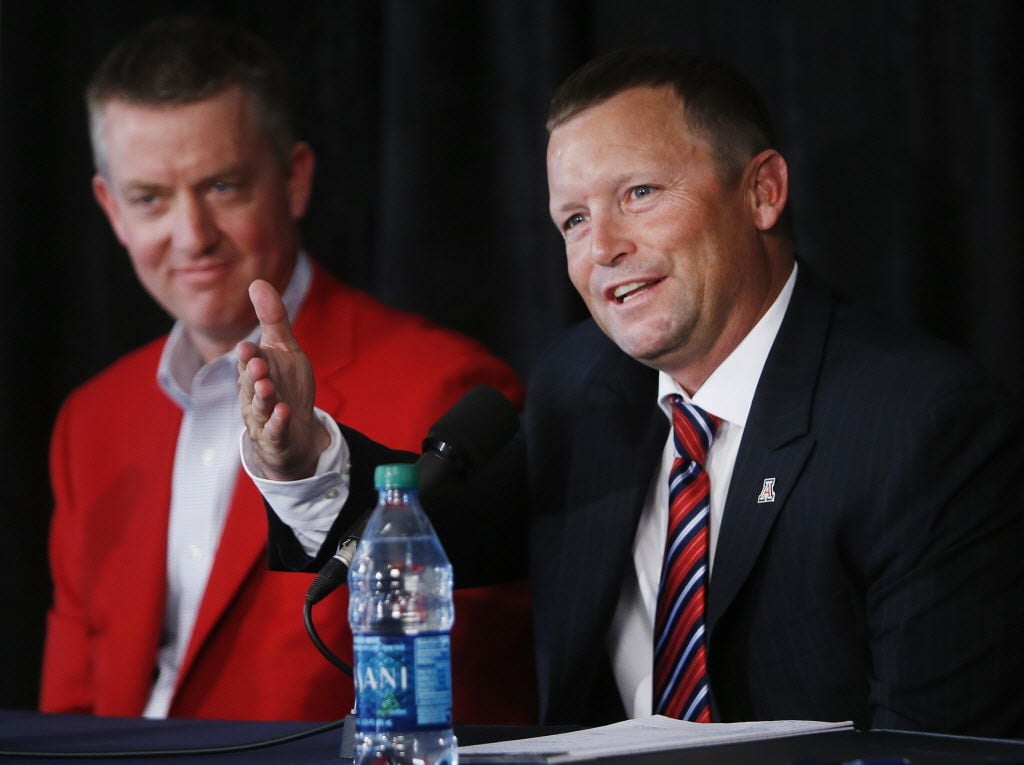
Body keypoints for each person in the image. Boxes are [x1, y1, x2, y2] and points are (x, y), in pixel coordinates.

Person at [237, 47, 1024, 735]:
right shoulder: (584, 385)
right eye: (573, 219)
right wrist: (304, 452)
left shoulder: (925, 425)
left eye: (640, 193)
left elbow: (935, 746)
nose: (604, 247)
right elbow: (444, 533)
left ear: (763, 192)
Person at [40, 15, 537, 724]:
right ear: (111, 209)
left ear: (295, 179)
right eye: (150, 198)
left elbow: (473, 711)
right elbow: (64, 717)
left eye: (222, 187)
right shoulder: (90, 419)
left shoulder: (445, 389)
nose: (190, 236)